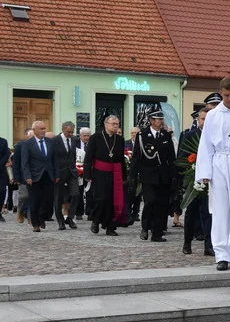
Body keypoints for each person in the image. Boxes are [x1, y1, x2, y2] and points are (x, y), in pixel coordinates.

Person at [195, 78, 230, 271]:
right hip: (220, 162)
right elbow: (206, 144)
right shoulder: (212, 115)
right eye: (226, 95)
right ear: (221, 93)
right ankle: (222, 254)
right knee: (221, 211)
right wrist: (205, 171)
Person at [130, 110, 176, 242]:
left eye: (162, 119)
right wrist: (132, 176)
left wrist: (174, 176)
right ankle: (145, 227)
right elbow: (136, 157)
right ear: (151, 121)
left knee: (162, 204)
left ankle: (157, 233)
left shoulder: (166, 135)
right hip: (148, 175)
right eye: (158, 119)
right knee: (150, 201)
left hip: (163, 175)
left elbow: (171, 157)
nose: (161, 121)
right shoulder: (142, 135)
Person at [83, 114, 127, 235]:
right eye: (113, 124)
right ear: (106, 124)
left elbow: (121, 159)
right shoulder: (95, 137)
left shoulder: (120, 139)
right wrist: (88, 174)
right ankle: (96, 220)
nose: (116, 126)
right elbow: (88, 157)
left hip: (115, 173)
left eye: (117, 124)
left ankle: (110, 227)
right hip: (99, 173)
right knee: (101, 199)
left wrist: (124, 176)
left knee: (113, 200)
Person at [180, 107, 213, 256]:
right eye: (203, 119)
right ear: (198, 120)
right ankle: (187, 243)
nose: (205, 122)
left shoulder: (215, 136)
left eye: (208, 119)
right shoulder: (189, 135)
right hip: (193, 180)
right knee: (191, 213)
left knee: (208, 213)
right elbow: (181, 157)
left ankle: (209, 245)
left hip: (210, 181)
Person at [20, 120, 56, 232]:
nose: (43, 131)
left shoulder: (50, 142)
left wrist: (57, 174)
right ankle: (35, 223)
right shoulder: (27, 144)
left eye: (44, 128)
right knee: (35, 200)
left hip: (48, 175)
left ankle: (42, 216)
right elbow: (25, 162)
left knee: (48, 199)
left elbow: (54, 160)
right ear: (34, 130)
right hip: (34, 176)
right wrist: (27, 176)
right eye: (41, 129)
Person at [52, 121, 80, 230]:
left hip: (71, 171)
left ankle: (70, 217)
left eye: (72, 132)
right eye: (68, 132)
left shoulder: (74, 140)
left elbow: (73, 155)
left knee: (76, 194)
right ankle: (60, 221)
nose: (70, 134)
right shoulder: (55, 140)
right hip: (59, 172)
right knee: (58, 197)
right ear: (63, 129)